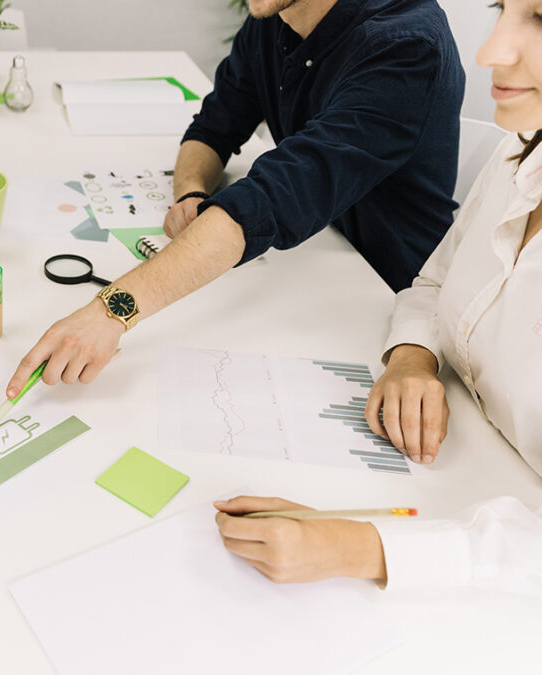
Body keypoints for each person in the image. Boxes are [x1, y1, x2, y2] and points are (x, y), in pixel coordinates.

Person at [215, 0, 542, 595]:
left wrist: (359, 546)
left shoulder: (400, 41)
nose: (489, 50)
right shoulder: (523, 150)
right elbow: (436, 280)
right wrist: (415, 356)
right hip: (455, 465)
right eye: (502, 8)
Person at [5, 0, 464, 399]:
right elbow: (213, 127)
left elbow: (275, 195)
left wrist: (112, 312)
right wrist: (191, 192)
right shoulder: (275, 15)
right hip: (317, 261)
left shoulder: (405, 45)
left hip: (394, 306)